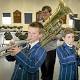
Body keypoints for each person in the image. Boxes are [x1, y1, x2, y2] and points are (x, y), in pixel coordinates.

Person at [40, 5, 56, 80]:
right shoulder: (39, 23)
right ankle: (43, 77)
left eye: (46, 12)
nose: (44, 14)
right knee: (42, 65)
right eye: (43, 12)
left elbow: (60, 34)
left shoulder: (55, 22)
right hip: (41, 47)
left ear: (50, 13)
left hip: (51, 49)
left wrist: (55, 36)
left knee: (50, 66)